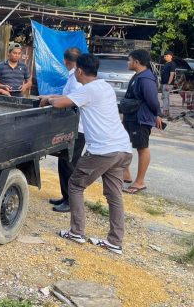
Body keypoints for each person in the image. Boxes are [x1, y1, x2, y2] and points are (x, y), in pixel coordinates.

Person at [42, 54, 133, 254]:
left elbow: (59, 104)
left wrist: (47, 99)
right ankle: (115, 241)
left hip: (103, 150)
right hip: (122, 149)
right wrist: (50, 97)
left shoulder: (88, 90)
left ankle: (77, 231)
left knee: (74, 185)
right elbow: (68, 99)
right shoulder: (104, 86)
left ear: (80, 71)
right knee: (114, 195)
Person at [42, 48, 86, 213]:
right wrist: (51, 96)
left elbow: (72, 101)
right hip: (71, 126)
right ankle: (66, 196)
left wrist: (51, 99)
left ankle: (71, 201)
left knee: (69, 163)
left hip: (77, 127)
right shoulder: (73, 76)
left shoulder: (76, 79)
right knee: (64, 161)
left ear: (65, 60)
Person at [122, 49, 163, 194]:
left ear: (136, 62)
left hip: (140, 119)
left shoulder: (146, 78)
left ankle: (140, 182)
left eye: (129, 60)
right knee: (122, 142)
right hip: (131, 116)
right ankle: (125, 174)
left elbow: (152, 100)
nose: (128, 62)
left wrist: (157, 114)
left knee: (142, 148)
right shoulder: (138, 76)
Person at [160, 50, 176, 118]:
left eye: (167, 56)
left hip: (168, 83)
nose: (165, 57)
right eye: (164, 56)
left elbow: (172, 74)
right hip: (164, 83)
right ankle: (167, 112)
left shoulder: (172, 64)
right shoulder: (165, 64)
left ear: (171, 56)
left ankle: (164, 112)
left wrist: (168, 84)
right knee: (166, 97)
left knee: (165, 98)